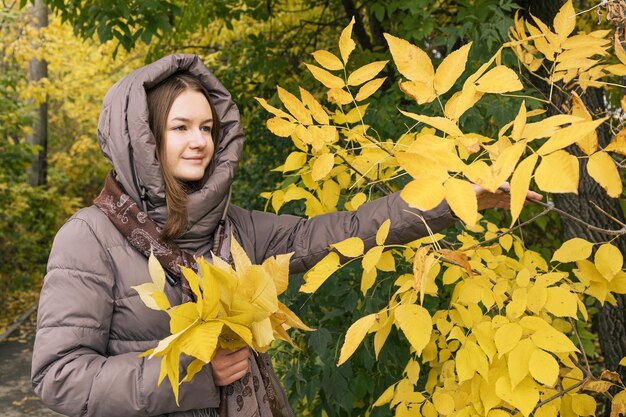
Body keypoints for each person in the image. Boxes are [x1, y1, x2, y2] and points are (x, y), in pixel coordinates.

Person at [31, 54, 539, 417]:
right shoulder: (89, 239)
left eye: (208, 128)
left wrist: (453, 199)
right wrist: (190, 374)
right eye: (181, 127)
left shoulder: (234, 227)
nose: (199, 142)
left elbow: (345, 230)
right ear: (142, 137)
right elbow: (59, 376)